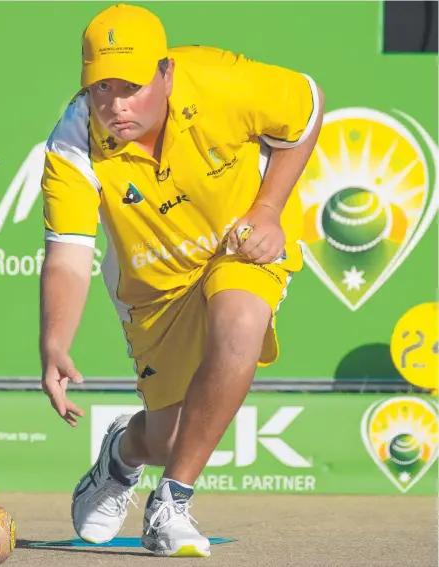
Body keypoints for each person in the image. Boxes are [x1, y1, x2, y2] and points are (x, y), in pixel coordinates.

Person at [39, 2, 324, 558]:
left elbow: (307, 107)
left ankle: (171, 501)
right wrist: (54, 343)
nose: (116, 105)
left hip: (236, 248)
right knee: (171, 436)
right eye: (101, 89)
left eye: (132, 86)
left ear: (166, 73)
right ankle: (123, 452)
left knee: (240, 322)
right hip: (154, 293)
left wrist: (268, 209)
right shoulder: (73, 145)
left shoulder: (220, 80)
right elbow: (69, 257)